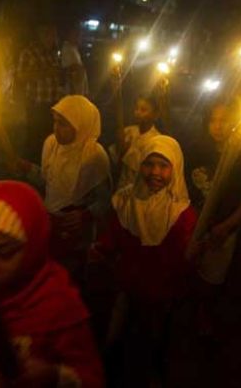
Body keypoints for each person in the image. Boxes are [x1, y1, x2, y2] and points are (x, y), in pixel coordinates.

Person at [0, 181, 104, 387]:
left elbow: (91, 379)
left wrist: (53, 375)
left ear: (33, 246)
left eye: (4, 252)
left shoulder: (58, 305)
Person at [92, 135, 196, 387]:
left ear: (176, 168)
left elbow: (184, 253)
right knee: (118, 333)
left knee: (154, 336)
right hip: (127, 281)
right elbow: (115, 234)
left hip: (161, 288)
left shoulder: (181, 212)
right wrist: (102, 248)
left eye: (163, 165)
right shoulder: (127, 200)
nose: (155, 172)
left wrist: (195, 253)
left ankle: (152, 371)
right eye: (149, 164)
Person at [19, 95, 111, 282]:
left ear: (81, 125)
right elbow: (49, 181)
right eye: (55, 121)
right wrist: (28, 169)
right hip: (51, 223)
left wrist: (83, 215)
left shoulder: (94, 155)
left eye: (63, 124)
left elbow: (104, 199)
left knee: (71, 277)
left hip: (77, 233)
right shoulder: (51, 144)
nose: (56, 128)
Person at [189, 102, 241, 334]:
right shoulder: (199, 148)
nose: (218, 126)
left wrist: (227, 226)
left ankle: (204, 313)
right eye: (213, 120)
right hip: (194, 222)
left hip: (222, 228)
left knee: (212, 276)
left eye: (224, 120)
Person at [16, 24, 65, 162]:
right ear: (41, 35)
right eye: (49, 35)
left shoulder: (53, 53)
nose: (52, 39)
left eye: (54, 35)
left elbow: (56, 74)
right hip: (37, 104)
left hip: (53, 103)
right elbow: (21, 76)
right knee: (34, 136)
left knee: (48, 135)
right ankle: (29, 166)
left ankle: (46, 164)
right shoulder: (29, 52)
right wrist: (45, 72)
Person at [112, 94, 162, 191]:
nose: (138, 112)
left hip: (141, 190)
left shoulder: (156, 139)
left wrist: (127, 151)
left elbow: (144, 167)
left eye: (143, 110)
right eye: (136, 109)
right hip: (121, 187)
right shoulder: (129, 131)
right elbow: (117, 158)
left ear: (155, 115)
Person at [61, 25, 90, 96]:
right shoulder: (67, 49)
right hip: (73, 92)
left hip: (78, 91)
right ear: (70, 35)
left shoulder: (74, 49)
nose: (80, 38)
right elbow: (69, 69)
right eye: (77, 35)